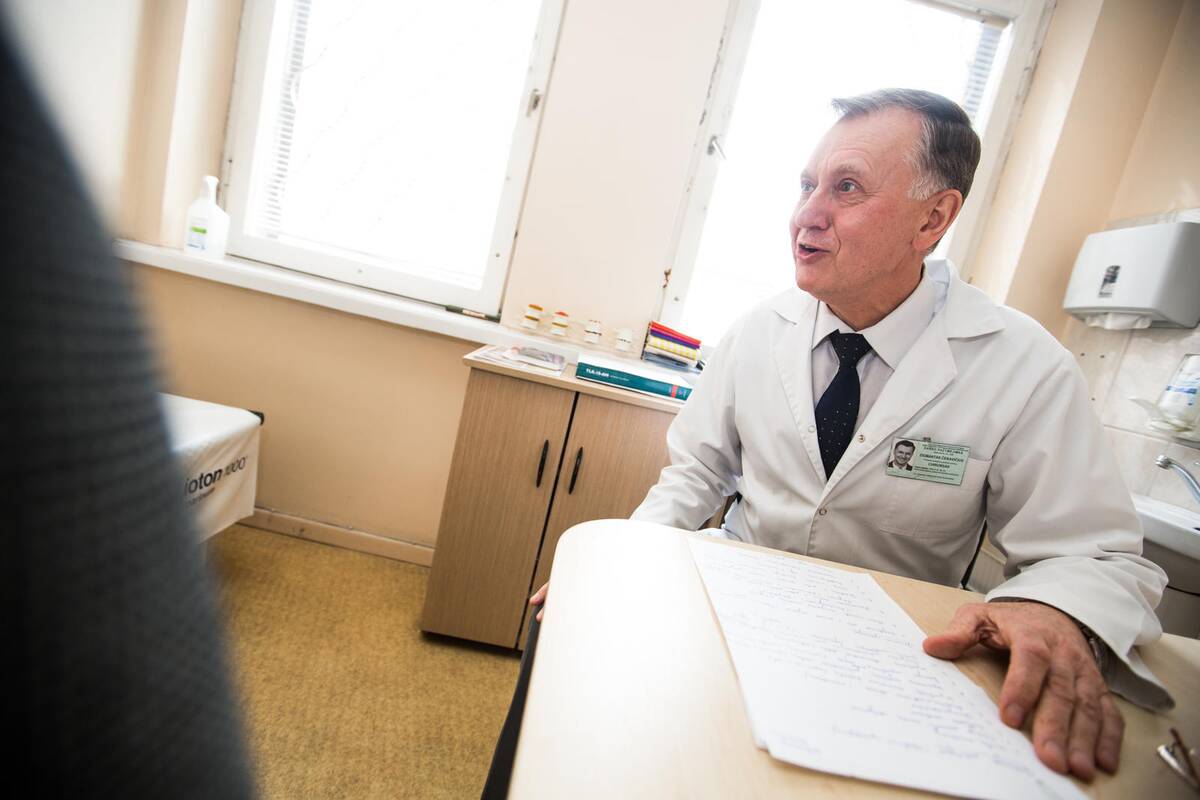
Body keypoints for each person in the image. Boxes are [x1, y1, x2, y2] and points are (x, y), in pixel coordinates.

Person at [528, 89, 1172, 784]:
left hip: (892, 653)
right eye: (806, 185)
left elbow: (1094, 553)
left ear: (933, 218)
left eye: (846, 188)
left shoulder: (1024, 365)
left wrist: (1047, 607)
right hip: (735, 606)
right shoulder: (757, 332)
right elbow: (696, 474)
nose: (806, 214)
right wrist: (622, 561)